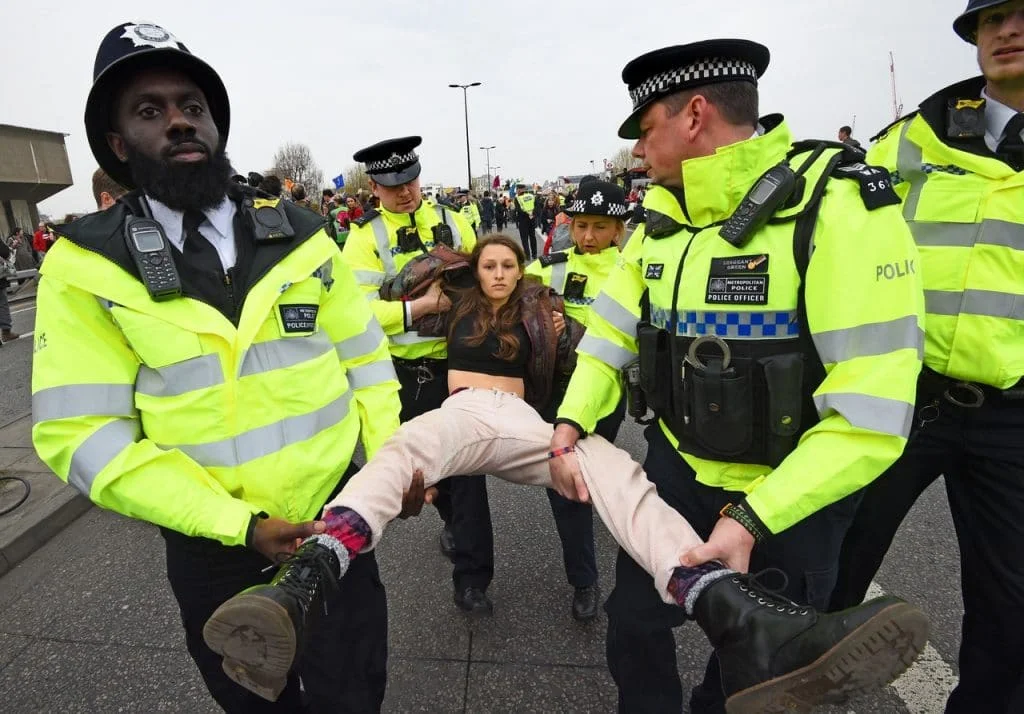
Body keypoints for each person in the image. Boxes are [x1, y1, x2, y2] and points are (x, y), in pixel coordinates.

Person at [205, 234, 930, 714]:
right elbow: (364, 318)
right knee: (397, 455)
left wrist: (570, 421)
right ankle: (310, 576)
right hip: (457, 418)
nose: (497, 272)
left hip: (521, 424)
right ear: (471, 270)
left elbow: (597, 335)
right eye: (486, 264)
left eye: (506, 264)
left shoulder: (542, 302)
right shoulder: (448, 298)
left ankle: (719, 599)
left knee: (612, 468)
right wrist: (414, 295)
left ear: (520, 269)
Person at [30, 23, 402, 713]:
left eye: (191, 106)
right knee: (253, 702)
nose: (178, 121)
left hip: (338, 522)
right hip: (214, 549)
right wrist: (236, 524)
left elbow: (367, 364)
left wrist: (387, 469)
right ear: (118, 145)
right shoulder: (86, 265)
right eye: (149, 110)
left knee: (354, 690)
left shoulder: (301, 233)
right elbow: (79, 433)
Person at [547, 39, 927, 713]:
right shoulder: (658, 222)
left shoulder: (836, 208)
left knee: (757, 676)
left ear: (694, 115)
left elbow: (871, 413)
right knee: (633, 629)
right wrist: (572, 421)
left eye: (644, 128)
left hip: (788, 500)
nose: (636, 150)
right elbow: (607, 336)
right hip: (676, 475)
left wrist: (753, 518)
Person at [829, 3, 1024, 711]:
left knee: (1014, 616)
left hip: (1014, 416)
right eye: (993, 17)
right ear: (974, 37)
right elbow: (834, 240)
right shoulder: (910, 141)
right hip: (904, 396)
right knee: (827, 566)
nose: (1008, 30)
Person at [340, 137, 497, 615]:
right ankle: (450, 519)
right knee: (427, 474)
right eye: (392, 185)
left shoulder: (454, 220)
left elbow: (490, 276)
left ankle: (473, 578)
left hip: (459, 365)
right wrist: (418, 309)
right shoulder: (364, 238)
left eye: (410, 180)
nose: (405, 192)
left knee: (469, 473)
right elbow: (357, 311)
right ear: (374, 187)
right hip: (404, 375)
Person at [524, 179, 630, 621]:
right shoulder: (552, 264)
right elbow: (514, 289)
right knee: (567, 485)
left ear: (617, 229)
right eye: (581, 224)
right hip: (559, 394)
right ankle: (584, 579)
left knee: (600, 473)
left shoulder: (634, 269)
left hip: (609, 394)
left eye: (600, 226)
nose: (588, 236)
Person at [514, 183, 538, 260]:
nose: (517, 191)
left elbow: (518, 210)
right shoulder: (531, 196)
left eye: (517, 189)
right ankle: (534, 254)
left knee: (524, 238)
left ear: (520, 190)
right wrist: (532, 214)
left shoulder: (517, 198)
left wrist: (527, 214)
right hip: (532, 218)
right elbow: (537, 206)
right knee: (532, 237)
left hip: (523, 219)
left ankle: (527, 255)